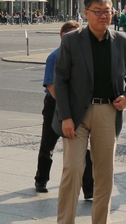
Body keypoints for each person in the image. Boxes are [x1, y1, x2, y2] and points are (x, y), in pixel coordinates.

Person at [52, 0, 126, 224]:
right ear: (86, 13)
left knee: (104, 172)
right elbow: (61, 80)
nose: (104, 16)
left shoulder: (123, 41)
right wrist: (66, 117)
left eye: (108, 11)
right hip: (76, 115)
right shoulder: (72, 40)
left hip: (108, 112)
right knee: (73, 169)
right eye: (98, 11)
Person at [34, 21, 93, 197]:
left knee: (82, 146)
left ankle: (89, 188)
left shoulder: (83, 56)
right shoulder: (55, 56)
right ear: (62, 37)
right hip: (55, 104)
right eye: (69, 35)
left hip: (77, 105)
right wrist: (65, 106)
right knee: (48, 143)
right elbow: (51, 85)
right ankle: (41, 179)